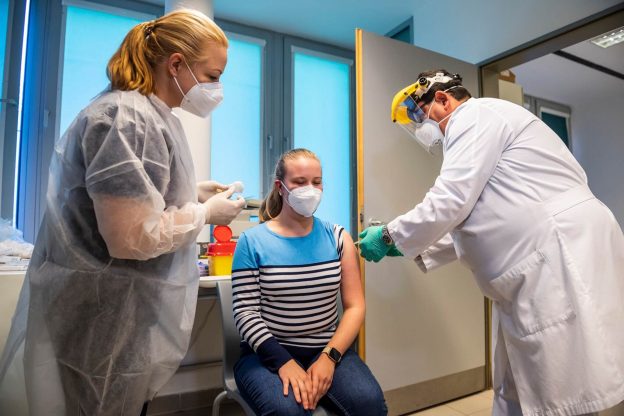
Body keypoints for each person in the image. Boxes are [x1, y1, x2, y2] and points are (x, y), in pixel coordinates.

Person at [0, 9, 245, 416]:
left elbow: (133, 196)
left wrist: (190, 192)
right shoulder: (126, 119)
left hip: (118, 307)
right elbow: (131, 236)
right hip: (101, 311)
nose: (216, 89)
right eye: (212, 75)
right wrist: (204, 214)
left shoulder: (152, 116)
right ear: (176, 64)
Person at [358, 69, 624, 416]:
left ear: (442, 99)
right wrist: (411, 244)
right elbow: (477, 216)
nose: (421, 127)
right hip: (533, 263)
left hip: (557, 252)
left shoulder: (474, 116)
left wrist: (391, 234)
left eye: (420, 116)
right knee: (520, 381)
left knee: (563, 382)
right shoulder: (478, 126)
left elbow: (452, 198)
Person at [231, 148, 387, 415]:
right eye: (300, 182)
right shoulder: (252, 241)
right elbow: (246, 313)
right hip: (267, 354)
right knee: (288, 412)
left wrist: (330, 357)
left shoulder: (338, 237)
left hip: (326, 349)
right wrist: (283, 362)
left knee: (369, 404)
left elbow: (355, 306)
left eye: (317, 182)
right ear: (280, 187)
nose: (310, 190)